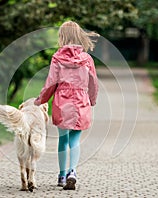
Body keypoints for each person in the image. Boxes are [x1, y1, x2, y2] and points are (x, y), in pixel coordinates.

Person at [34, 21, 99, 190]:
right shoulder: (87, 59)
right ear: (79, 36)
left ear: (62, 36)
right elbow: (93, 83)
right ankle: (73, 171)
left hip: (62, 101)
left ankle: (62, 176)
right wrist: (92, 99)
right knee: (75, 139)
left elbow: (51, 83)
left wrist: (41, 100)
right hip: (80, 101)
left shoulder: (57, 57)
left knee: (63, 140)